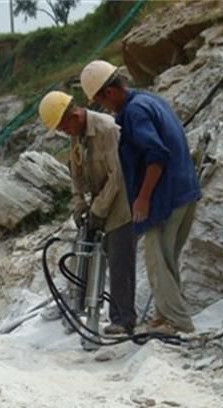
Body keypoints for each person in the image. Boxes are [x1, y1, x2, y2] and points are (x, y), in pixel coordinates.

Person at [80, 60, 201, 335]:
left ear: (109, 93)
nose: (104, 108)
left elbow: (156, 155)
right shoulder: (149, 100)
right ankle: (164, 314)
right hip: (185, 191)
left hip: (165, 197)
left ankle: (176, 321)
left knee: (156, 259)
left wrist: (143, 197)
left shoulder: (134, 112)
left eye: (101, 101)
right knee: (167, 260)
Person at [37, 90, 137, 335]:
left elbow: (118, 176)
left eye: (63, 126)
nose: (64, 132)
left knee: (119, 261)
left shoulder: (107, 129)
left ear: (74, 114)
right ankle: (79, 308)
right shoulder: (77, 135)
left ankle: (123, 319)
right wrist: (79, 202)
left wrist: (98, 210)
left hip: (121, 205)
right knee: (86, 254)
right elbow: (77, 172)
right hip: (98, 203)